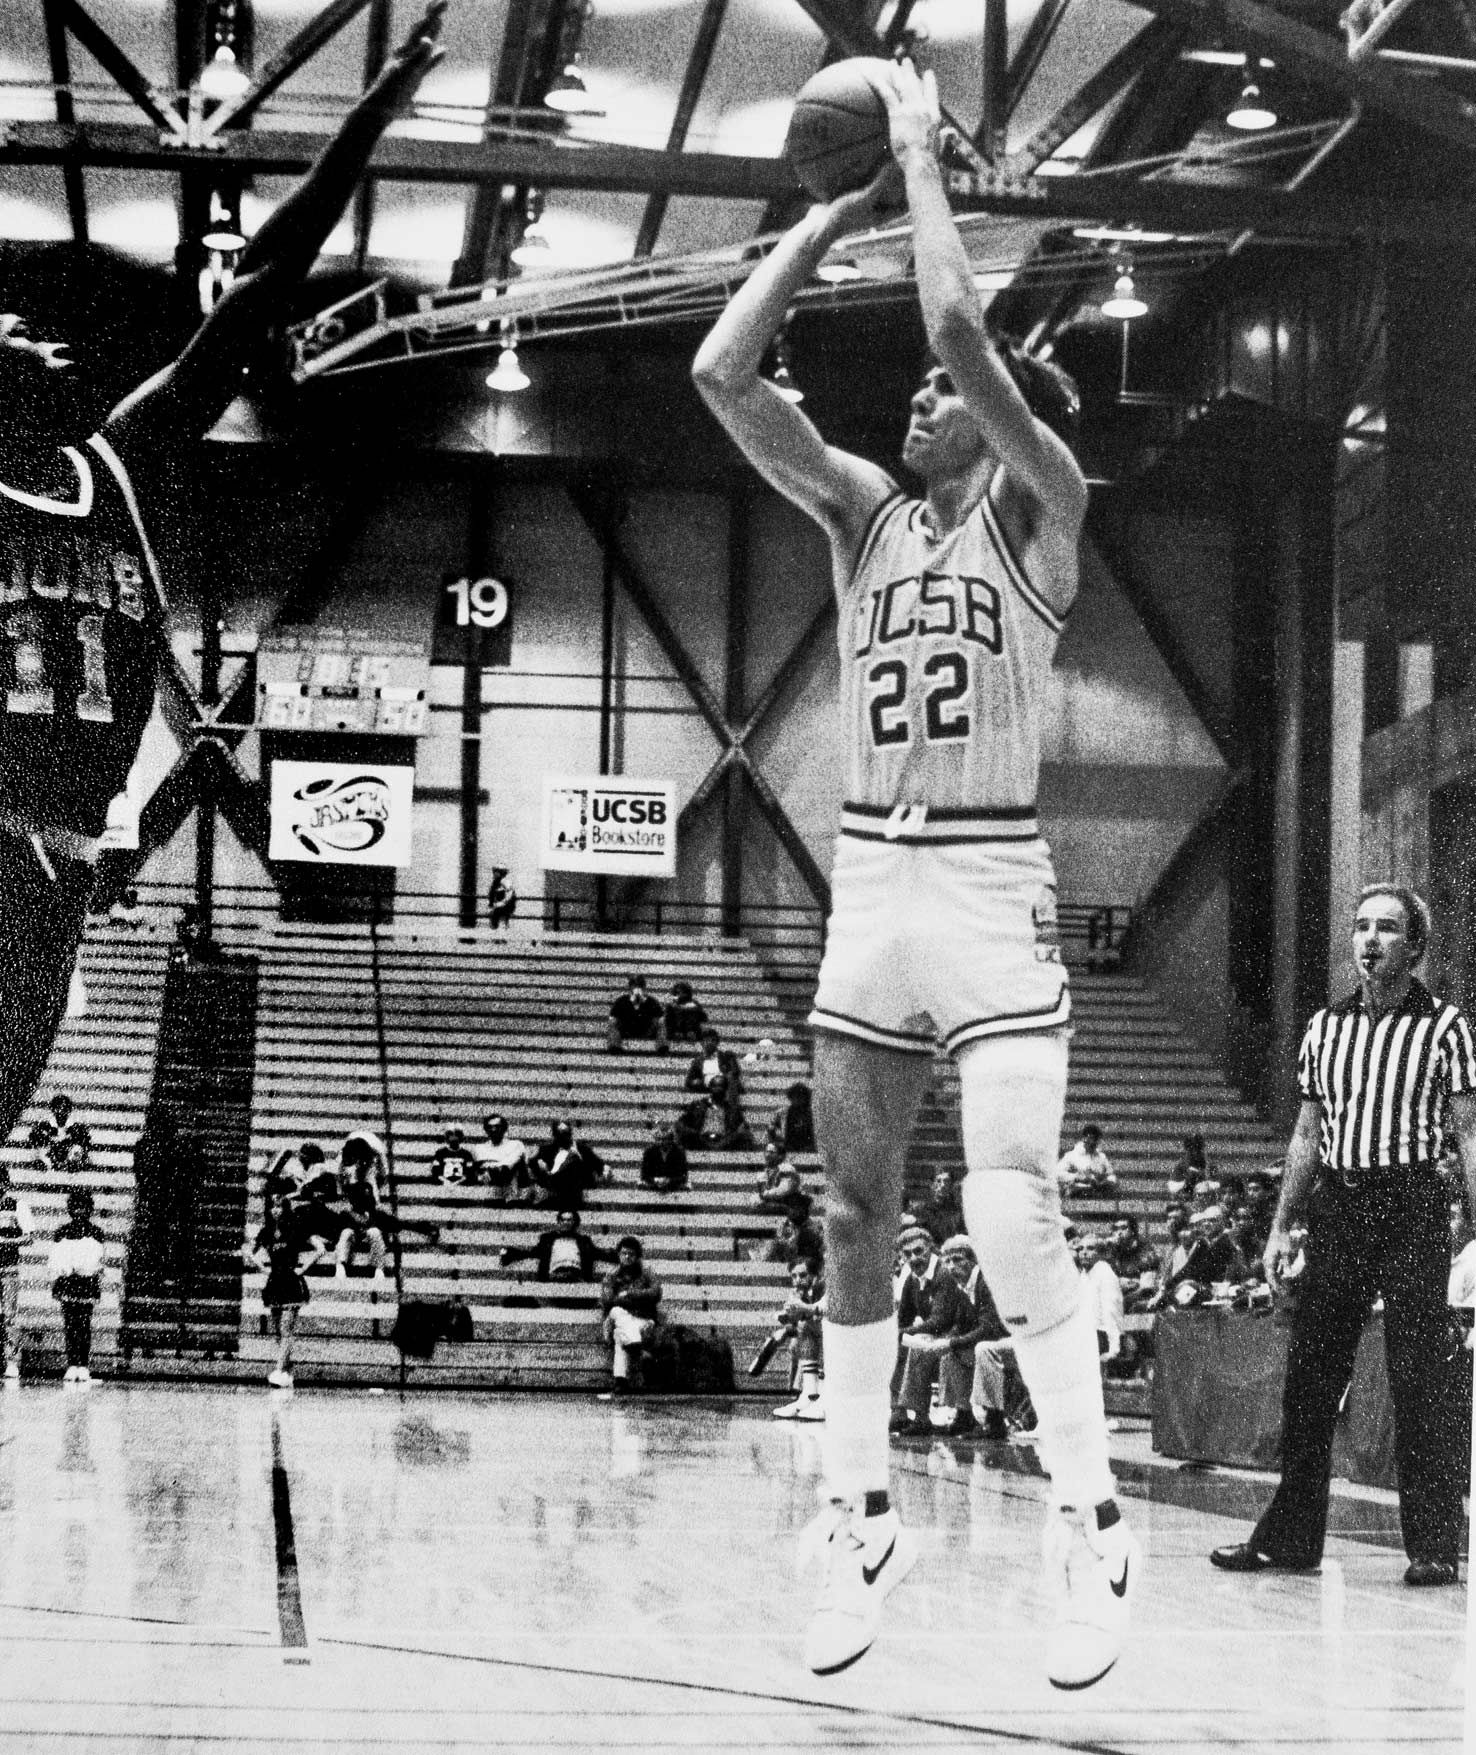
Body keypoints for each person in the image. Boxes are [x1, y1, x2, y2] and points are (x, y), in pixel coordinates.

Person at [692, 56, 1136, 1686]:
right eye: (918, 406)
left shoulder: (1047, 510)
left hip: (986, 887)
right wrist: (821, 218)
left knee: (1012, 1214)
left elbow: (959, 334)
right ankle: (855, 1510)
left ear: (1012, 428)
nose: (916, 402)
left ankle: (1090, 1523)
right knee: (853, 1212)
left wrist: (916, 159)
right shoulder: (865, 517)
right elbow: (726, 373)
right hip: (869, 886)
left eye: (946, 403)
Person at [0, 5, 446, 1156]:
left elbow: (255, 293)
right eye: (8, 332)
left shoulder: (121, 468)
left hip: (60, 876)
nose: (34, 335)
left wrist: (371, 119)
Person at [1210, 884, 1476, 1588]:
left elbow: (1468, 1133)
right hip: (1342, 1207)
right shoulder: (1325, 1027)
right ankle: (1293, 1537)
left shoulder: (1445, 1026)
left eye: (1387, 928)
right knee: (1310, 1379)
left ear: (1413, 946)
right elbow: (1305, 1136)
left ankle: (1435, 1545)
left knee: (1422, 1382)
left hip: (1412, 1206)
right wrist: (1282, 1224)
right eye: (1361, 926)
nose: (1369, 939)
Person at [246, 1188, 325, 1390]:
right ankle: (288, 1372)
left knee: (286, 1330)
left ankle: (279, 1370)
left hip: (291, 1281)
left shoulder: (295, 1227)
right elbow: (251, 1252)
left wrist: (303, 1269)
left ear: (285, 1208)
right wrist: (262, 1268)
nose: (276, 1210)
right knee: (277, 1333)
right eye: (272, 1206)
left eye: (279, 1206)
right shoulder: (266, 1232)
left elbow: (320, 1249)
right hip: (274, 1282)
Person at [49, 1186, 108, 1385]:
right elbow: (56, 1261)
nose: (80, 1212)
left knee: (84, 1324)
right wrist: (67, 1268)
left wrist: (86, 1268)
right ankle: (71, 1363)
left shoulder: (96, 1232)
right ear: (70, 1209)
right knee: (70, 1323)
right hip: (68, 1282)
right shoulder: (62, 1232)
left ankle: (83, 1365)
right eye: (76, 1207)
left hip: (87, 1282)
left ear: (89, 1209)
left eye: (84, 1207)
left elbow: (97, 1260)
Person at [599, 1236, 663, 1393]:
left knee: (619, 1335)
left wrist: (629, 1294)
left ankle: (620, 1381)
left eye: (631, 1254)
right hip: (623, 1316)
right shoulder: (612, 1276)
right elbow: (608, 1301)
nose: (627, 1257)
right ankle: (637, 1348)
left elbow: (655, 1293)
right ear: (619, 1255)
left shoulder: (647, 1273)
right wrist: (638, 1299)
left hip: (643, 1320)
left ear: (637, 1256)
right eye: (624, 1253)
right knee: (616, 1312)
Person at [500, 1210, 616, 1283]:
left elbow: (599, 1254)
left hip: (576, 1276)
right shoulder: (548, 1239)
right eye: (563, 1220)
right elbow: (531, 1252)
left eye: (569, 1220)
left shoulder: (583, 1241)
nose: (566, 1222)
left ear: (574, 1223)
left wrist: (618, 1256)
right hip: (554, 1275)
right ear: (559, 1222)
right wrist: (509, 1253)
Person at [0, 1164, 34, 1380]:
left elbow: (29, 1237)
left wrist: (6, 1241)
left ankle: (12, 1362)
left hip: (8, 1269)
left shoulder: (18, 1206)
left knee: (9, 1317)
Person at [468, 1113, 529, 1201]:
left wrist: (493, 1166)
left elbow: (511, 1166)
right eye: (490, 1127)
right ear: (486, 1130)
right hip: (488, 1191)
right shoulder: (479, 1148)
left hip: (510, 1191)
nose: (493, 1130)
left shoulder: (515, 1145)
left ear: (504, 1128)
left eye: (497, 1126)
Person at [606, 974, 669, 1054]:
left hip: (646, 1029)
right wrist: (630, 1003)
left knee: (660, 1022)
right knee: (613, 1022)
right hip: (627, 1029)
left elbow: (660, 1018)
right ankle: (614, 1046)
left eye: (640, 986)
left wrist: (645, 1003)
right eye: (635, 986)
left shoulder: (651, 1001)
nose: (637, 989)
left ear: (644, 988)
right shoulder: (622, 1000)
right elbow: (612, 1017)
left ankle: (662, 1047)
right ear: (630, 988)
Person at [1055, 1125, 1116, 1197]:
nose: (1093, 1142)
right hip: (1078, 1195)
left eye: (1095, 1139)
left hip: (1097, 1194)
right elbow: (1058, 1173)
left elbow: (1111, 1174)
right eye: (1090, 1138)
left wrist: (1107, 1181)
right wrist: (1077, 1177)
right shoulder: (1072, 1156)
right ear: (1084, 1138)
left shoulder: (1101, 1157)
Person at [911, 1168, 965, 1247]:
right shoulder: (921, 1211)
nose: (943, 1185)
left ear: (951, 1186)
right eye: (938, 1181)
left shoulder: (958, 1212)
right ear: (932, 1185)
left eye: (946, 1181)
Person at [639, 1121, 690, 1193]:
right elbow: (644, 1174)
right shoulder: (649, 1152)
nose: (662, 1142)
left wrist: (669, 1180)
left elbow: (683, 1176)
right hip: (653, 1185)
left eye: (665, 1139)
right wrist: (655, 1180)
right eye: (659, 1139)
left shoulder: (679, 1152)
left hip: (673, 1186)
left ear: (671, 1140)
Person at [768, 1080, 817, 1154]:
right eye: (795, 1096)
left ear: (805, 1098)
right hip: (788, 1149)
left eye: (800, 1096)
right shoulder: (782, 1113)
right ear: (790, 1097)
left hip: (807, 1150)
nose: (797, 1099)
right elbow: (771, 1129)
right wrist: (777, 1139)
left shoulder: (812, 1114)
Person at [665, 980, 708, 1046]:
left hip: (692, 1030)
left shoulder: (695, 1004)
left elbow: (703, 1018)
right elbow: (668, 1020)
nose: (678, 995)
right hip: (675, 1031)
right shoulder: (671, 1005)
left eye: (680, 992)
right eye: (676, 993)